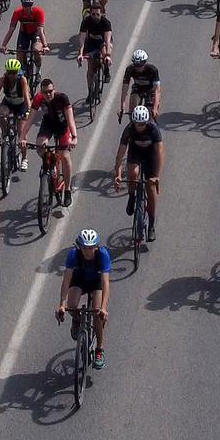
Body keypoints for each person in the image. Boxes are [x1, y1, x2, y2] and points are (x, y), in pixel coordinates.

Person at [55, 229, 112, 369]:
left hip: (96, 283)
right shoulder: (73, 254)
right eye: (85, 248)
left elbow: (105, 283)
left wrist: (103, 308)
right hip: (79, 280)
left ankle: (99, 350)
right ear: (80, 246)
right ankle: (77, 319)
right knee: (72, 305)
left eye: (91, 247)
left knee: (97, 315)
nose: (88, 251)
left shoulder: (102, 255)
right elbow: (66, 281)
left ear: (96, 246)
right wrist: (62, 304)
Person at [113, 106, 166, 241]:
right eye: (138, 124)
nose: (140, 127)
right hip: (135, 152)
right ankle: (132, 196)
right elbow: (120, 154)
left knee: (151, 188)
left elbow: (160, 152)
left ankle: (151, 225)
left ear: (147, 122)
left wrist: (157, 177)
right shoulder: (129, 129)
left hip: (150, 155)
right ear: (133, 122)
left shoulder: (153, 129)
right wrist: (118, 175)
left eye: (143, 124)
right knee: (133, 172)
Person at [31, 77, 78, 206]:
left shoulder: (62, 99)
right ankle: (51, 163)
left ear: (54, 90)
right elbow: (30, 119)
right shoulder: (38, 98)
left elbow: (70, 119)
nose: (48, 94)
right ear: (41, 92)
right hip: (49, 124)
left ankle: (67, 190)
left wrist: (74, 136)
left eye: (50, 91)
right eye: (45, 92)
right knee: (40, 146)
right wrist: (22, 137)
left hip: (62, 127)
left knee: (64, 156)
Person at [0, 57, 32, 167]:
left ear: (18, 72)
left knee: (21, 134)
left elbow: (26, 96)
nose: (12, 75)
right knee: (1, 115)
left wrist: (29, 110)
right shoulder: (3, 80)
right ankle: (4, 134)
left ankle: (24, 158)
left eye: (14, 72)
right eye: (10, 72)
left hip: (21, 104)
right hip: (8, 102)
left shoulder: (22, 80)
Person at [0, 0, 48, 78]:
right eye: (25, 5)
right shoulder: (18, 12)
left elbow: (40, 31)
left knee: (36, 50)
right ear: (22, 5)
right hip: (24, 33)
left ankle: (38, 70)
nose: (27, 7)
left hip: (36, 33)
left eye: (29, 5)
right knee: (19, 54)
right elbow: (11, 30)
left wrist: (45, 46)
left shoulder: (38, 12)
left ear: (32, 5)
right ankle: (23, 69)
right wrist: (3, 45)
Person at [118, 47, 161, 121]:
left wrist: (155, 108)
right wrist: (122, 106)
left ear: (145, 63)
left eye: (141, 65)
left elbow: (157, 90)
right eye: (136, 65)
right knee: (133, 111)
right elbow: (125, 88)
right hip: (138, 88)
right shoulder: (129, 69)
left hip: (151, 89)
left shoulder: (152, 70)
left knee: (152, 113)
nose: (138, 68)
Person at [77, 0, 113, 83]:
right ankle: (90, 88)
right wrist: (80, 54)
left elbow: (107, 40)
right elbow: (82, 38)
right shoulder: (86, 21)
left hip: (103, 41)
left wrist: (107, 55)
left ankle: (106, 69)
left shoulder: (106, 23)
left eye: (98, 14)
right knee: (90, 67)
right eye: (93, 14)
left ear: (101, 14)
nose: (95, 16)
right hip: (91, 41)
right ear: (90, 14)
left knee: (104, 53)